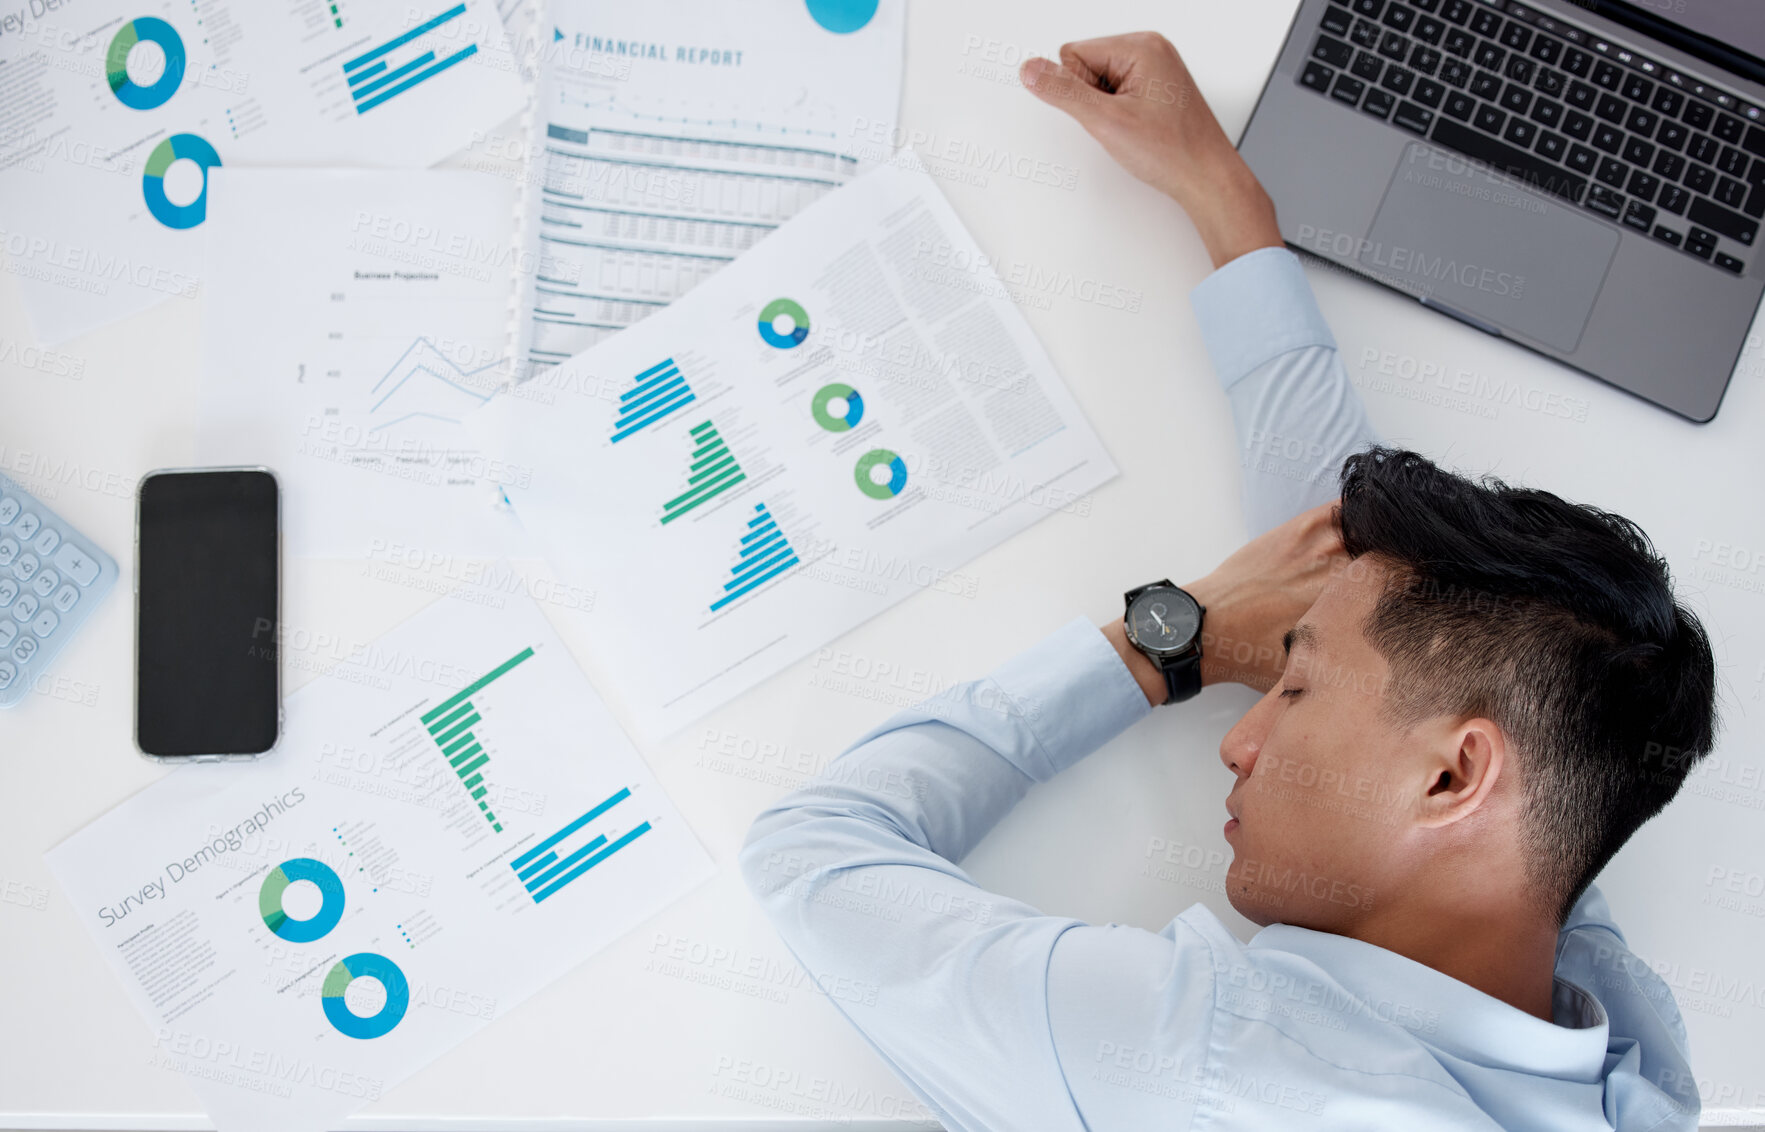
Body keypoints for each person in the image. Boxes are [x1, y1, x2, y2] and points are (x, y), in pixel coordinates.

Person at [740, 31, 1719, 1131]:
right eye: (1283, 686)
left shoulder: (1204, 1063)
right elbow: (1353, 586)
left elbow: (811, 852)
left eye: (1291, 693)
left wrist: (1167, 639)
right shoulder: (1623, 1050)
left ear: (1452, 777)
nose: (1237, 733)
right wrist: (1225, 203)